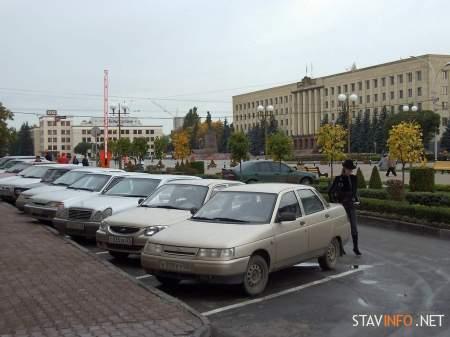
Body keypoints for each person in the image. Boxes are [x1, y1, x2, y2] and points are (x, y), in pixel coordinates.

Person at [328, 159, 362, 256]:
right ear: (345, 168)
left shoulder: (354, 178)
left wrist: (356, 199)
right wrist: (335, 201)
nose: (351, 171)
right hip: (341, 206)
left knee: (354, 227)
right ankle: (341, 248)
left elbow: (355, 192)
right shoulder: (338, 179)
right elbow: (330, 192)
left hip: (351, 205)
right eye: (349, 169)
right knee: (342, 228)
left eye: (351, 169)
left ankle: (355, 247)